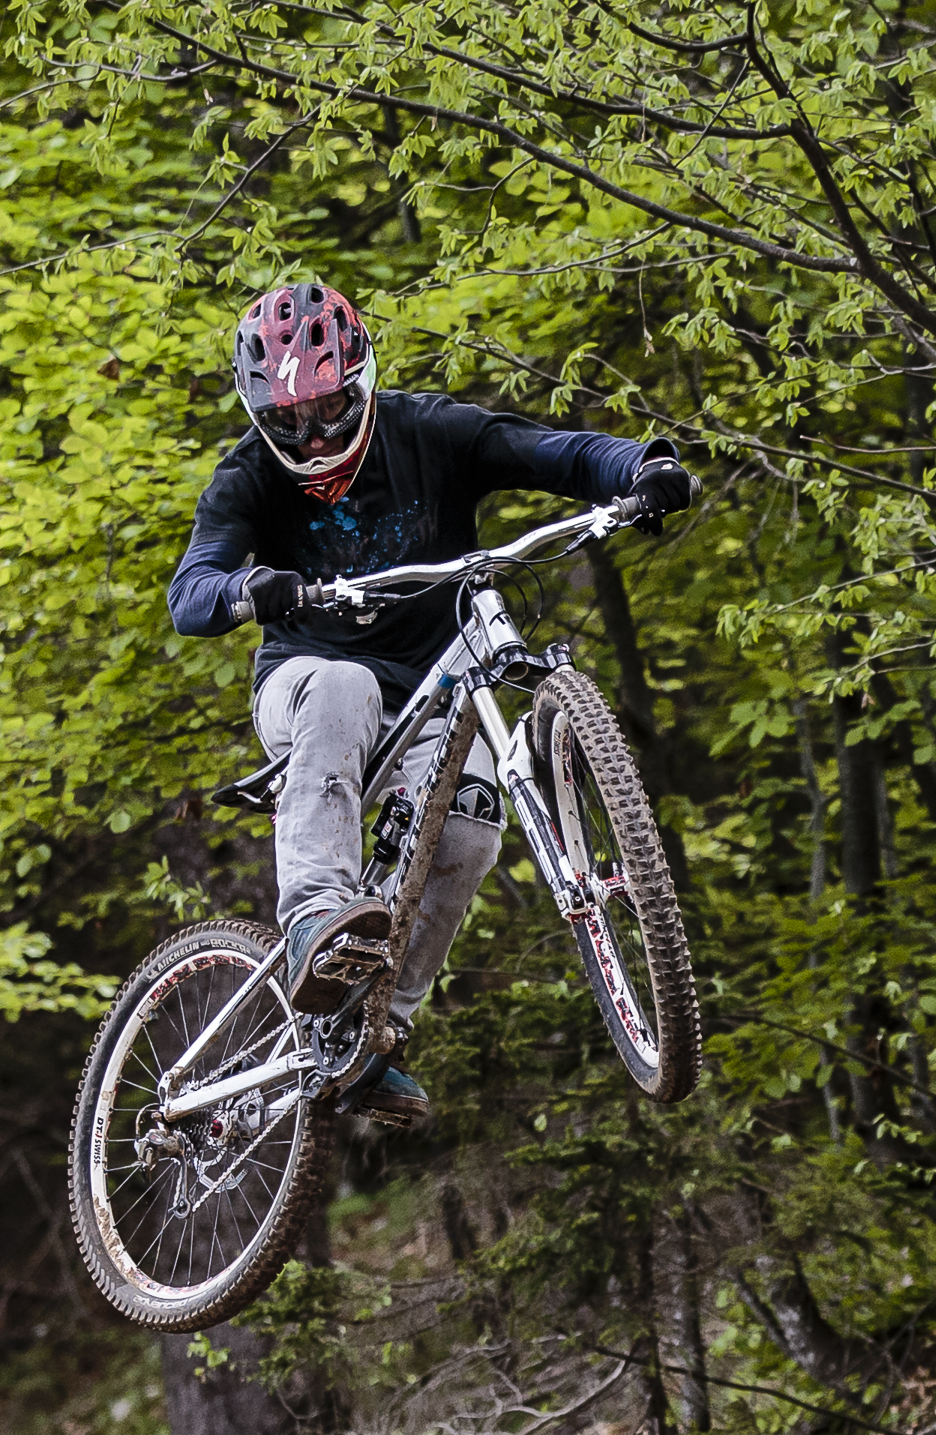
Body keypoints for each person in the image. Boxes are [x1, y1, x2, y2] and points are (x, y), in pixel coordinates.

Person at [167, 281, 691, 1130]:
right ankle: (313, 925)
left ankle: (373, 1039)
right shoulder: (249, 477)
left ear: (363, 380)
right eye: (291, 419)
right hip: (308, 686)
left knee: (470, 828)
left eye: (331, 407)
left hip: (435, 686)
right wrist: (249, 590)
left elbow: (555, 452)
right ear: (261, 414)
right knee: (346, 684)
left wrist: (643, 467)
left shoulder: (428, 430)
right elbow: (191, 593)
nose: (314, 434)